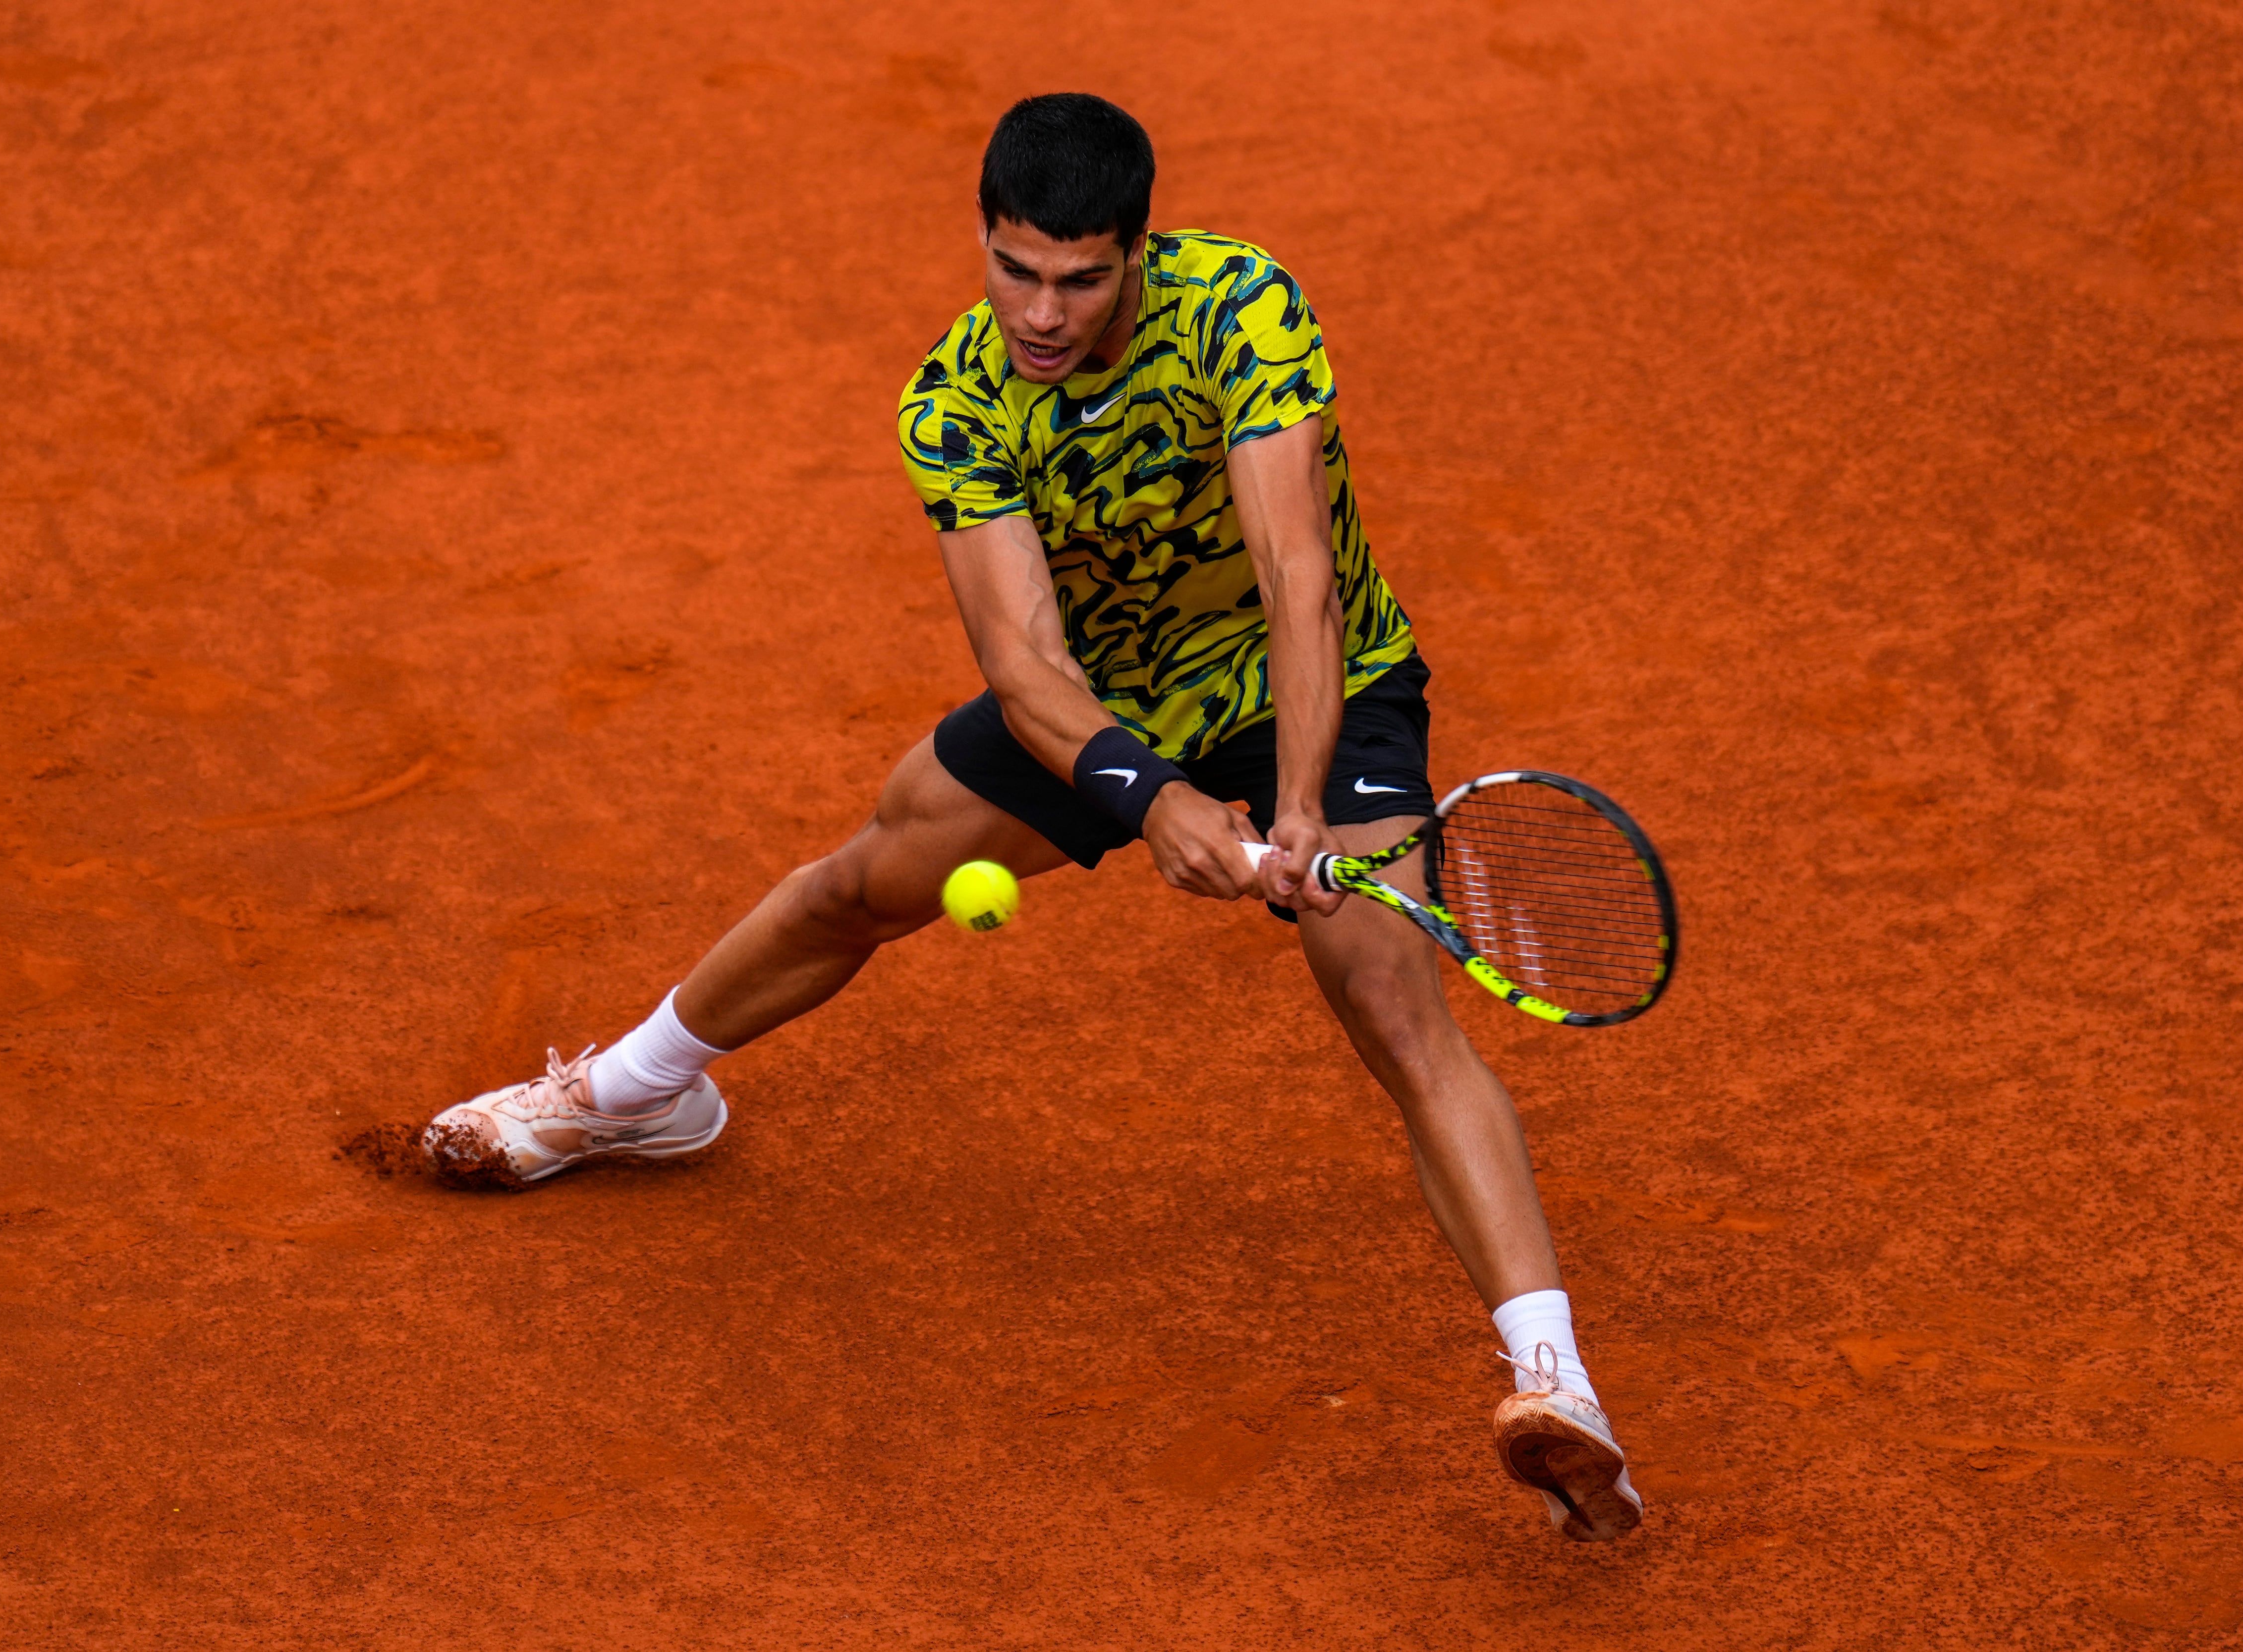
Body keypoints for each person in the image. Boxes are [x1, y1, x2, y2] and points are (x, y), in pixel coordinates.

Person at [421, 92, 1642, 1543]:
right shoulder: (955, 403)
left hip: (1318, 683)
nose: (1044, 313)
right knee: (862, 886)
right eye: (1016, 272)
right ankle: (633, 1095)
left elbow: (1296, 574)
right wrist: (1153, 795)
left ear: (1139, 252)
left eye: (1081, 278)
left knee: (1390, 998)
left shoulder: (1239, 309)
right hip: (1102, 702)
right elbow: (1022, 663)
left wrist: (1302, 799)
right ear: (985, 243)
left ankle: (1559, 1391)